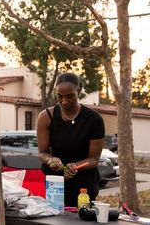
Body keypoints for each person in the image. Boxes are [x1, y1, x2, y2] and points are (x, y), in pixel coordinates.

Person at [37, 72, 105, 207]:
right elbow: (42, 152)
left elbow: (93, 159)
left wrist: (75, 166)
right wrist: (51, 160)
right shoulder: (46, 117)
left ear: (78, 91)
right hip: (55, 183)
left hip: (83, 185)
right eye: (59, 97)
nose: (64, 101)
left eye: (69, 96)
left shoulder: (93, 120)